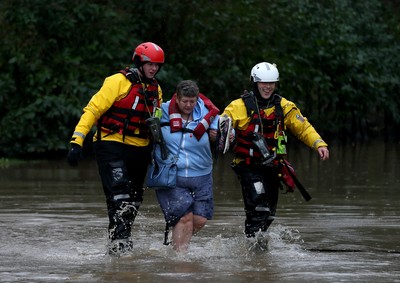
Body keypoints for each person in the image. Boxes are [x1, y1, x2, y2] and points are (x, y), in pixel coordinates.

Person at [67, 42, 165, 256]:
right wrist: (77, 140)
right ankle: (120, 245)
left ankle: (119, 239)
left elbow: (158, 118)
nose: (153, 69)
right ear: (139, 62)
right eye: (149, 64)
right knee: (119, 196)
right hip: (111, 144)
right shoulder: (117, 82)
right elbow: (93, 110)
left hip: (140, 148)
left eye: (157, 65)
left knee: (135, 199)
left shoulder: (156, 89)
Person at [221, 62, 329, 238]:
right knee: (259, 208)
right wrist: (226, 134)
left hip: (273, 166)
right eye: (264, 83)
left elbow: (303, 127)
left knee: (269, 213)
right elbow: (222, 125)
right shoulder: (238, 106)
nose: (268, 87)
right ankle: (254, 249)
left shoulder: (285, 106)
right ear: (255, 82)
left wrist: (319, 143)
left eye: (271, 83)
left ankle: (257, 246)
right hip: (248, 166)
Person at [152, 80, 219, 252]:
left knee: (200, 220)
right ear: (177, 98)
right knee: (185, 219)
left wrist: (220, 134)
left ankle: (175, 242)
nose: (188, 105)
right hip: (172, 175)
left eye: (192, 101)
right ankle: (180, 263)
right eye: (184, 101)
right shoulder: (164, 110)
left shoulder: (206, 112)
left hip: (202, 175)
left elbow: (226, 129)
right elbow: (147, 122)